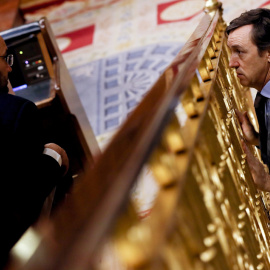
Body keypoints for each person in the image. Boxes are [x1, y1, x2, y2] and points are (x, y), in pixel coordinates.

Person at [0, 35, 69, 263]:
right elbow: (29, 192)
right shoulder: (18, 112)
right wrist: (54, 156)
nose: (10, 66)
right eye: (4, 58)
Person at [226, 8, 270, 192]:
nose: (231, 63)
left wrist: (267, 183)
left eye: (240, 52)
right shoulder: (264, 95)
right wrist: (258, 140)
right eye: (231, 52)